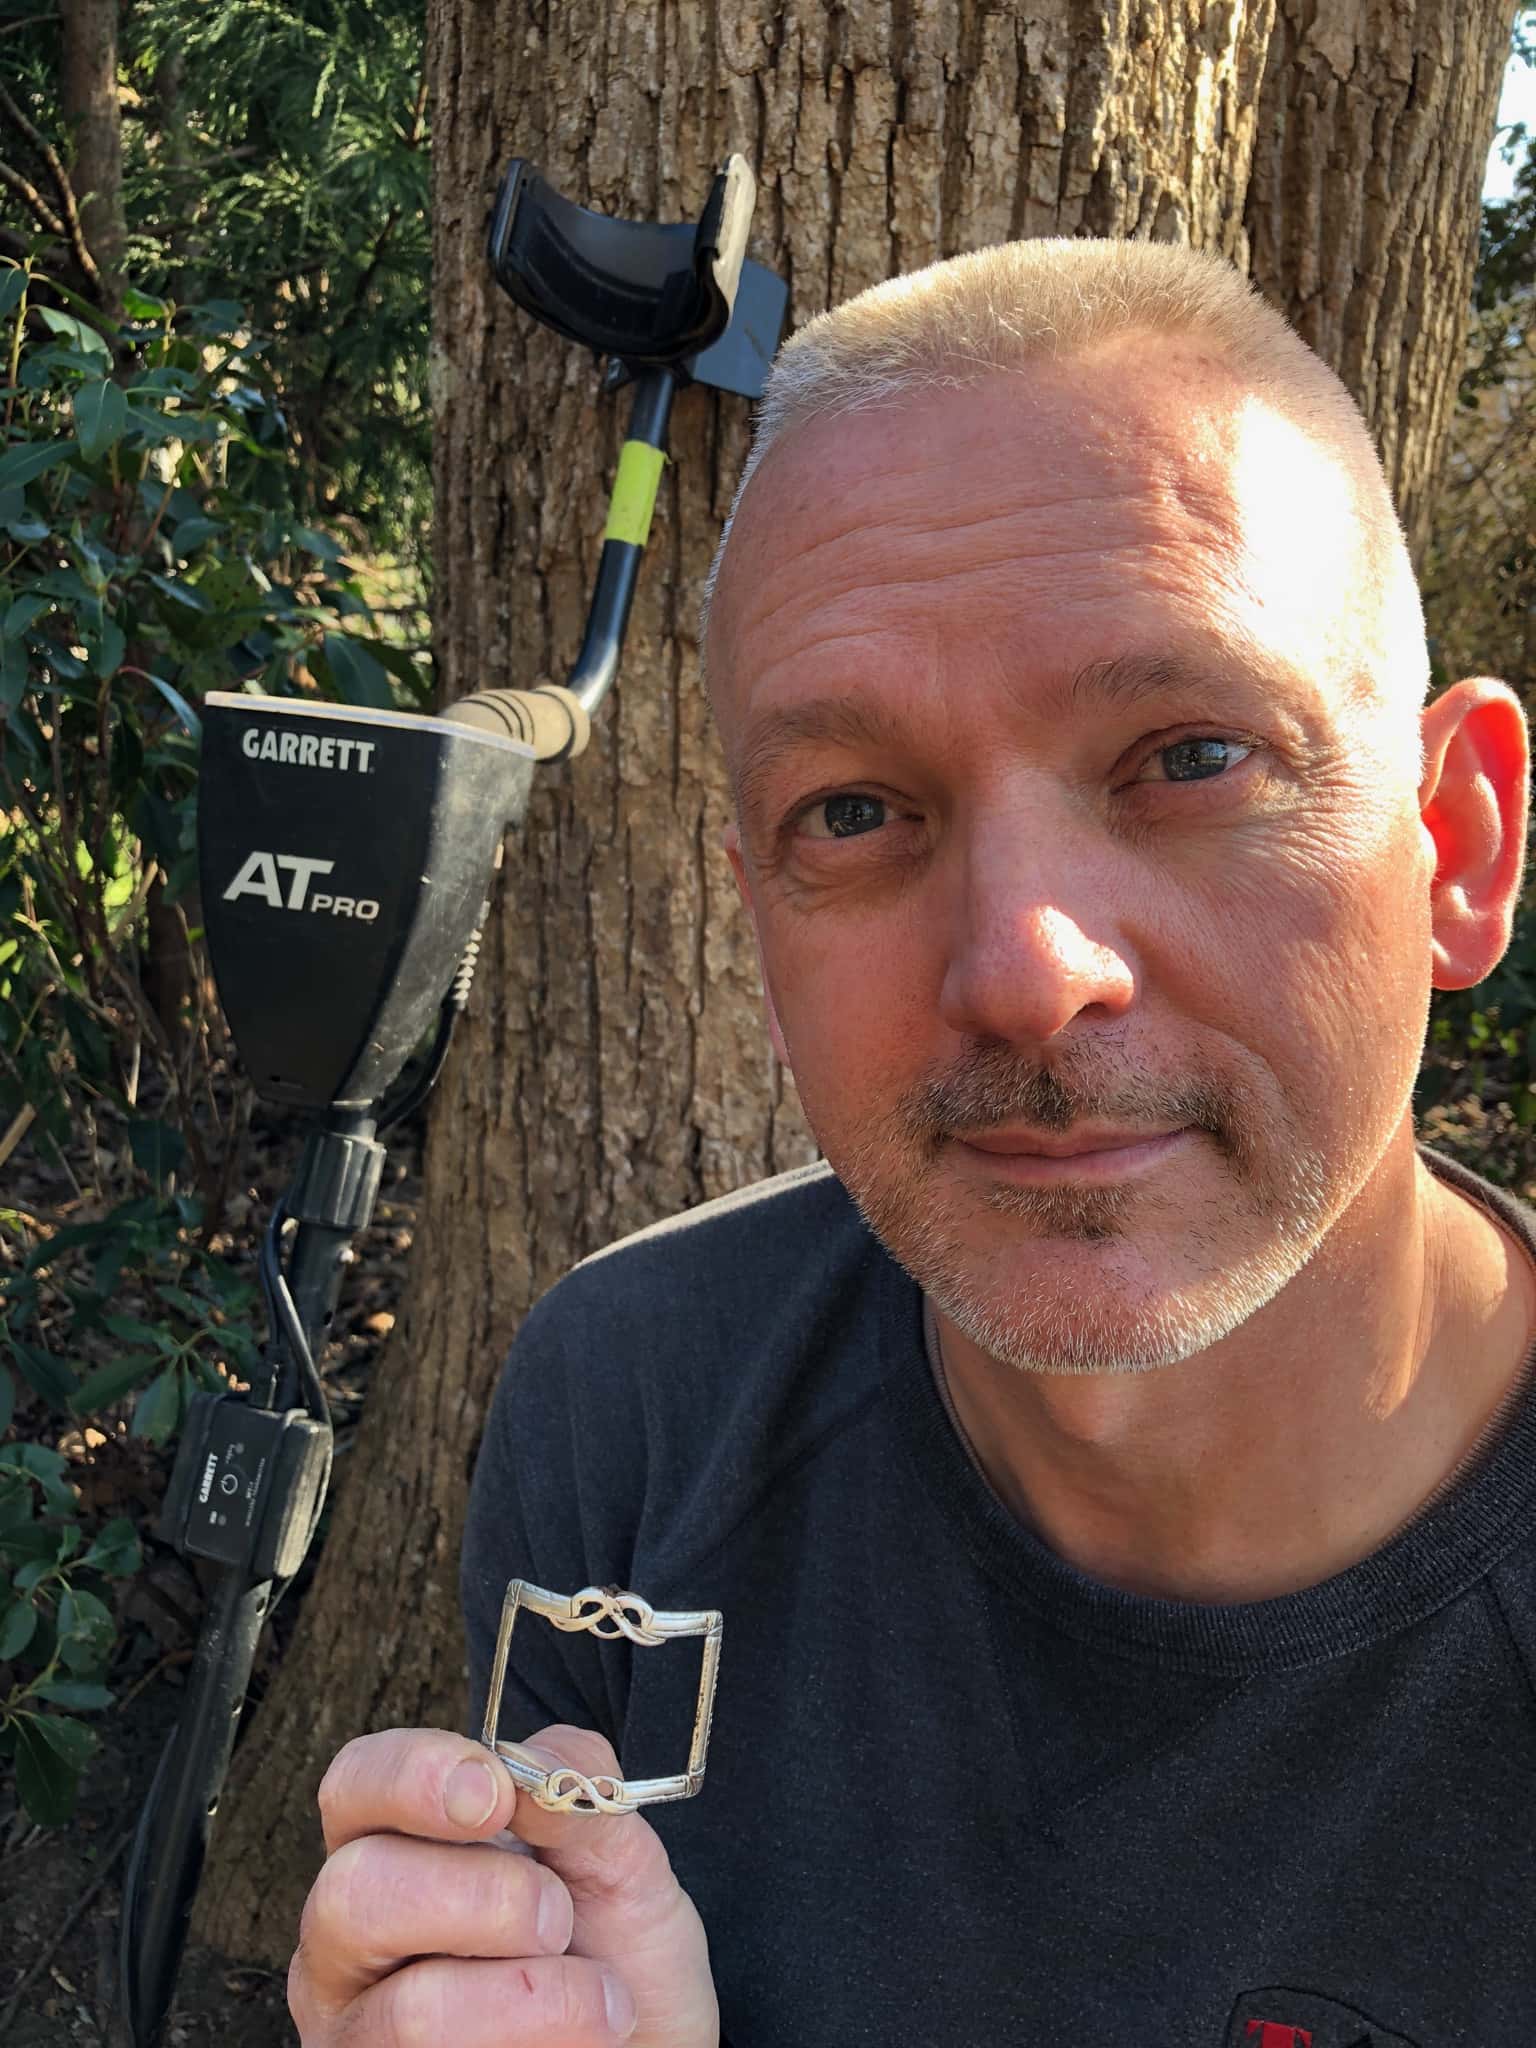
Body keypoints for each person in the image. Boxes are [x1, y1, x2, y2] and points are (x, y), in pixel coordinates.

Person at [288, 238, 1535, 2048]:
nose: (1024, 970)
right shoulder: (637, 1408)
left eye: (1192, 757)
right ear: (759, 924)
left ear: (1459, 842)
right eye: (857, 810)